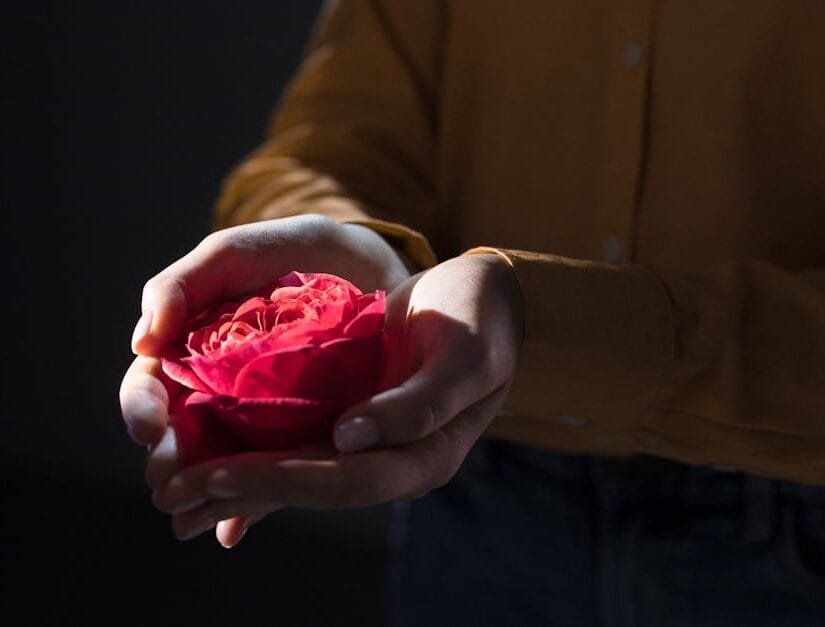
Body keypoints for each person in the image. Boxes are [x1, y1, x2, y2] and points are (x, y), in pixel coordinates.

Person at [120, 1, 825, 625]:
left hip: (792, 521)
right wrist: (359, 253)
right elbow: (330, 148)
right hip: (474, 508)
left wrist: (538, 321)